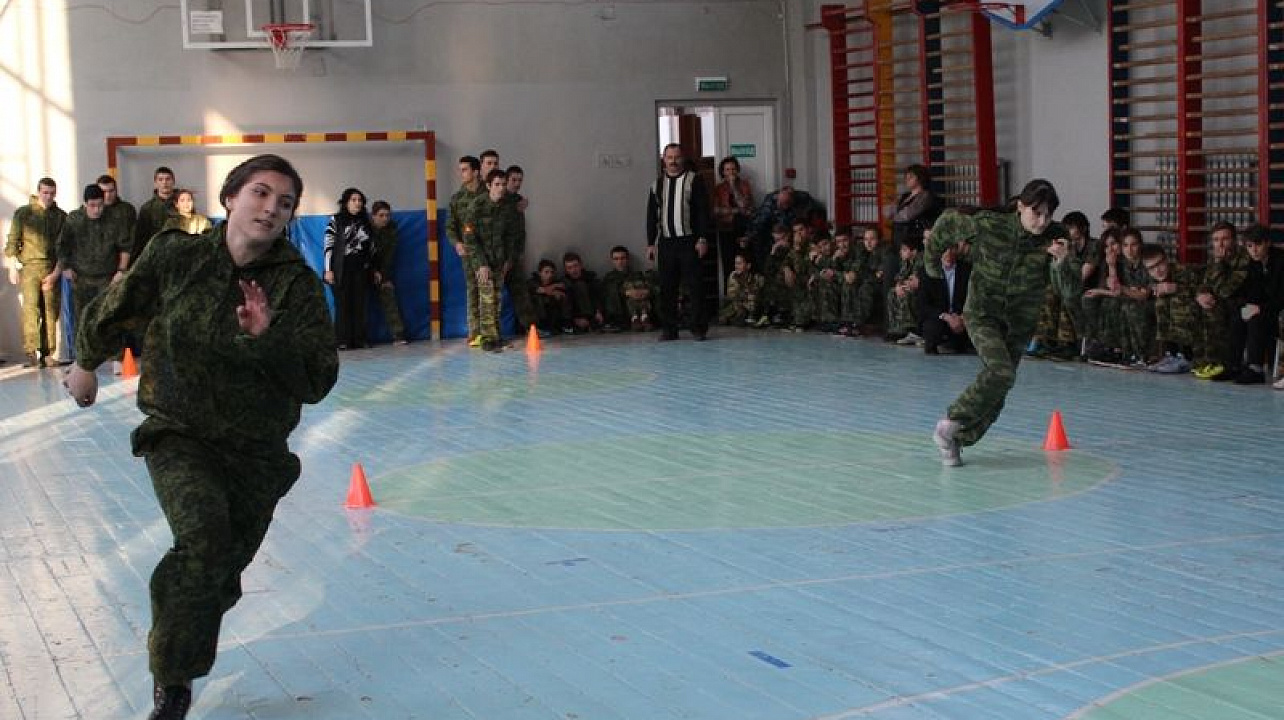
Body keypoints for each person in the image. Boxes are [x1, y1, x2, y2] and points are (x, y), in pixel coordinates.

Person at [63, 154, 338, 720]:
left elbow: (317, 379)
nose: (271, 208)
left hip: (257, 456)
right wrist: (85, 361)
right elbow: (121, 304)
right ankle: (172, 683)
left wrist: (266, 338)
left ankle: (184, 634)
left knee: (216, 575)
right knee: (204, 542)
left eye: (284, 203)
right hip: (179, 431)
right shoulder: (175, 254)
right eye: (260, 193)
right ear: (230, 198)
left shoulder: (297, 288)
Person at [928, 179, 1077, 467]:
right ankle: (951, 422)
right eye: (1036, 213)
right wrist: (931, 264)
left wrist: (1062, 263)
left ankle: (957, 439)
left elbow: (1068, 292)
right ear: (1020, 206)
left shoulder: (1056, 238)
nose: (1042, 221)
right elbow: (947, 223)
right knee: (1001, 372)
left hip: (1020, 322)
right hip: (983, 313)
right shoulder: (989, 224)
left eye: (1048, 215)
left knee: (1001, 386)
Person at [646, 143, 712, 341]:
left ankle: (698, 327)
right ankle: (669, 329)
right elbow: (651, 216)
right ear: (663, 160)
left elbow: (702, 212)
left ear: (682, 158)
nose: (673, 161)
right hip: (666, 243)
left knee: (695, 286)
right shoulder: (656, 185)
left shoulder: (694, 180)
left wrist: (702, 238)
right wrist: (651, 243)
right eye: (669, 157)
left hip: (689, 241)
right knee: (667, 287)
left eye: (676, 157)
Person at [5, 177, 67, 367]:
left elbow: (64, 247)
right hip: (30, 267)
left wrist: (56, 273)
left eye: (51, 193)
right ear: (38, 192)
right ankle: (31, 351)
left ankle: (48, 352)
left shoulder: (61, 216)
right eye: (44, 192)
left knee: (50, 311)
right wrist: (12, 267)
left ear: (55, 193)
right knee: (30, 309)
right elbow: (13, 240)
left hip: (51, 267)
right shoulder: (24, 213)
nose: (48, 196)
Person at [58, 184, 130, 325]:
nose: (97, 210)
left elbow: (125, 247)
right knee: (82, 321)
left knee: (105, 321)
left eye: (100, 205)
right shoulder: (74, 219)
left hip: (107, 279)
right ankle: (82, 348)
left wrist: (121, 270)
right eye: (92, 206)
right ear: (85, 204)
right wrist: (65, 267)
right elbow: (62, 245)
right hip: (81, 279)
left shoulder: (114, 219)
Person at [467, 169, 521, 351]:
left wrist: (508, 260)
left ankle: (496, 336)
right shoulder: (477, 206)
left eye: (504, 185)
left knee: (497, 299)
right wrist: (481, 264)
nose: (501, 188)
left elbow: (511, 236)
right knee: (487, 299)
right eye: (497, 185)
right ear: (489, 186)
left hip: (499, 261)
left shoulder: (506, 208)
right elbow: (470, 238)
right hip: (482, 261)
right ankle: (488, 339)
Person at [1224, 225, 1284, 384]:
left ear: (1268, 243)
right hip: (1267, 307)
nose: (1254, 250)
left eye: (1258, 245)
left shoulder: (1281, 261)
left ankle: (1255, 368)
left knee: (1256, 319)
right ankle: (1233, 365)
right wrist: (1246, 305)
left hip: (1278, 308)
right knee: (1239, 316)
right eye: (1250, 246)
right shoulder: (1254, 263)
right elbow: (1253, 290)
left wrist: (1260, 308)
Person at [1192, 221, 1249, 380]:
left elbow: (1226, 291)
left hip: (1243, 303)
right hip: (1222, 301)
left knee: (1214, 309)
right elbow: (1204, 283)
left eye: (1225, 239)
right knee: (1196, 306)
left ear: (1234, 240)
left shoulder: (1243, 259)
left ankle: (1218, 362)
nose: (1220, 244)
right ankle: (1199, 360)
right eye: (1216, 240)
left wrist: (1218, 264)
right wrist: (1201, 296)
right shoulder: (1215, 258)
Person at [323, 188, 376, 350]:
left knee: (360, 304)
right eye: (353, 200)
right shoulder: (336, 220)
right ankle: (342, 340)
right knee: (343, 304)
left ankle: (360, 339)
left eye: (360, 200)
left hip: (360, 268)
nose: (357, 203)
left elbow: (372, 248)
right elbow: (329, 245)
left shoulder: (366, 222)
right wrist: (328, 269)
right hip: (341, 268)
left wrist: (374, 269)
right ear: (346, 203)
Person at [1144, 244, 1199, 374]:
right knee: (1161, 303)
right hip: (1174, 314)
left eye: (1159, 264)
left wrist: (1176, 288)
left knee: (1175, 302)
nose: (1157, 271)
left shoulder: (1183, 271)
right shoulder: (1152, 278)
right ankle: (1171, 354)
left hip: (1195, 311)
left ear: (1166, 260)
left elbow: (1200, 290)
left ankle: (1187, 356)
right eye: (1151, 268)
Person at [447, 156, 485, 345]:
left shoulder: (488, 194)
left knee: (490, 290)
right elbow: (450, 226)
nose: (461, 173)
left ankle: (491, 331)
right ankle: (474, 331)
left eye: (465, 169)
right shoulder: (457, 198)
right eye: (460, 169)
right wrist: (457, 243)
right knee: (473, 289)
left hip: (488, 251)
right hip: (469, 252)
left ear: (476, 172)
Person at [918, 240, 972, 354]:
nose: (948, 254)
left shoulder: (967, 270)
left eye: (951, 249)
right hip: (940, 316)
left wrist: (962, 317)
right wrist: (946, 317)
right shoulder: (927, 271)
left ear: (957, 250)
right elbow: (923, 305)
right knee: (932, 329)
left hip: (961, 317)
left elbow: (973, 298)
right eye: (944, 250)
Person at [370, 200, 409, 344]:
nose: (385, 219)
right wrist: (372, 271)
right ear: (373, 216)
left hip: (381, 271)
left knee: (388, 293)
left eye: (387, 215)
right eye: (381, 215)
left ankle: (398, 334)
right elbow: (362, 254)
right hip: (363, 270)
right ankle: (357, 337)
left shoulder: (391, 230)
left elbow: (388, 256)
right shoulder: (365, 228)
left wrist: (384, 277)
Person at [502, 165, 536, 332]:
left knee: (521, 292)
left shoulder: (518, 200)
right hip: (500, 255)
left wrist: (520, 252)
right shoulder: (499, 199)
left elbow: (520, 231)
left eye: (520, 180)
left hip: (515, 254)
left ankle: (530, 328)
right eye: (514, 180)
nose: (517, 184)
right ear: (506, 180)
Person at [713, 156, 754, 286]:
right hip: (726, 229)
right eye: (727, 169)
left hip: (742, 228)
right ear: (723, 172)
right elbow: (715, 210)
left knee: (745, 261)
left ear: (737, 170)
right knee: (729, 263)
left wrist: (734, 188)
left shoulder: (744, 185)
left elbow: (746, 207)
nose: (730, 172)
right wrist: (734, 211)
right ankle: (731, 296)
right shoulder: (718, 189)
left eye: (733, 169)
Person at [133, 166, 177, 264]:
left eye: (168, 179)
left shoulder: (183, 204)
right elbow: (141, 238)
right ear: (155, 183)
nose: (164, 183)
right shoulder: (147, 208)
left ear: (173, 182)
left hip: (178, 256)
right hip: (154, 257)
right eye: (160, 180)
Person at [561, 252, 603, 333]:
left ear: (581, 265)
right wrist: (574, 319)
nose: (573, 270)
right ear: (566, 270)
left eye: (575, 266)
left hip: (592, 315)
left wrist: (599, 311)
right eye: (569, 268)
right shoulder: (564, 282)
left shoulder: (591, 279)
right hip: (573, 318)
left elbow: (598, 296)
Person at [719, 252, 764, 326]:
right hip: (738, 304)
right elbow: (732, 295)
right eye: (736, 263)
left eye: (739, 263)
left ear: (748, 266)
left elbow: (760, 294)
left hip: (752, 305)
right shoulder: (733, 276)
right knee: (725, 318)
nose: (736, 266)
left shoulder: (757, 278)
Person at [528, 258, 567, 337]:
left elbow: (562, 292)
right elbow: (541, 290)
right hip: (536, 317)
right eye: (546, 272)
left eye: (551, 272)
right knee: (539, 298)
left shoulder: (555, 281)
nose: (549, 275)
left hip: (551, 318)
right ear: (540, 273)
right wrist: (554, 288)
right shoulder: (532, 281)